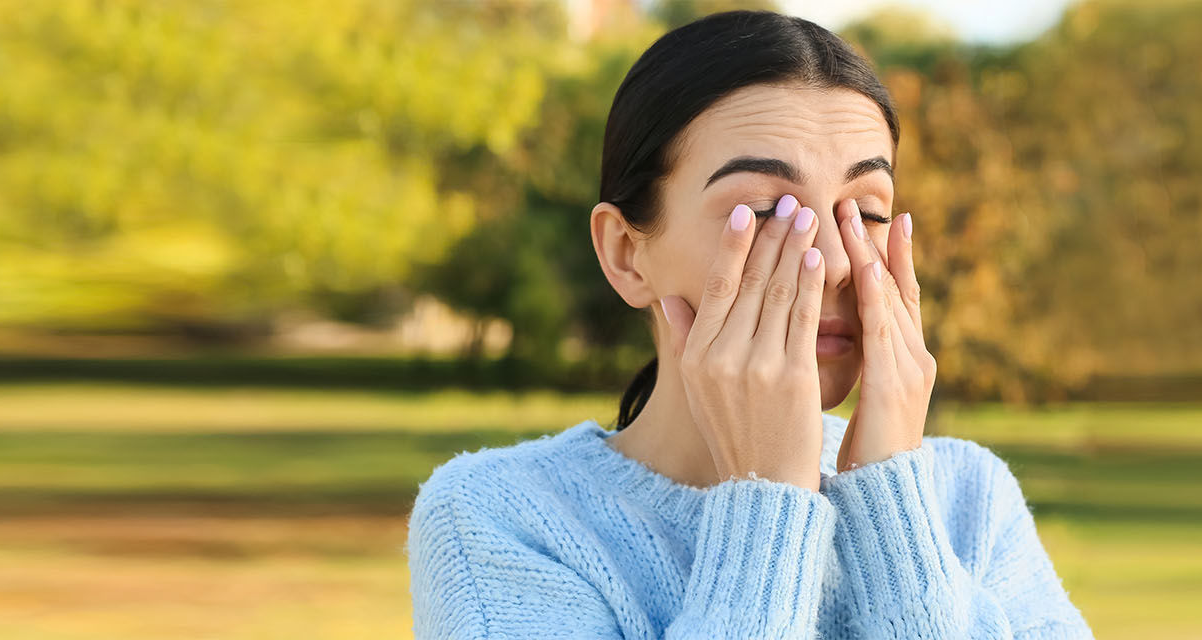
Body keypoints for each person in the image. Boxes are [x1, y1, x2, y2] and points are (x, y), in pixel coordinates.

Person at [407, 10, 1092, 639]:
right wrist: (769, 502)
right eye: (766, 211)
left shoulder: (967, 501)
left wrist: (894, 507)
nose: (833, 262)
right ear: (625, 254)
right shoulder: (499, 518)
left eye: (867, 212)